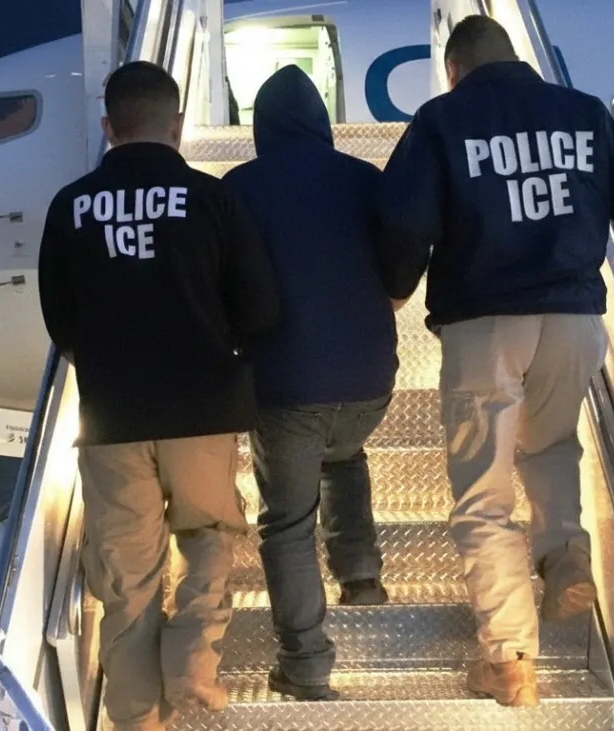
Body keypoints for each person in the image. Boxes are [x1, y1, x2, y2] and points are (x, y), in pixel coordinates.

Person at [376, 16, 614, 707]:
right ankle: (562, 552)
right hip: (576, 319)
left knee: (483, 493)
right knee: (549, 446)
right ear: (516, 59)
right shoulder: (581, 113)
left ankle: (511, 655)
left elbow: (401, 219)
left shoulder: (442, 121)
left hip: (487, 322)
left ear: (454, 70)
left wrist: (397, 281)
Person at [37, 61, 280, 730]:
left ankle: (138, 716)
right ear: (176, 126)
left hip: (113, 416)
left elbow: (61, 324)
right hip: (202, 408)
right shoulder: (212, 199)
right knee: (208, 536)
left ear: (109, 126)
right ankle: (193, 667)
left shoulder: (70, 206)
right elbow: (260, 308)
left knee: (128, 578)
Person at [222, 65, 401, 701]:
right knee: (345, 452)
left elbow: (232, 286)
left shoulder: (239, 188)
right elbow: (400, 254)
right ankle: (361, 575)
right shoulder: (363, 179)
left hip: (289, 379)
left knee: (287, 523)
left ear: (260, 127)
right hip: (372, 378)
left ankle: (306, 665)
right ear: (323, 123)